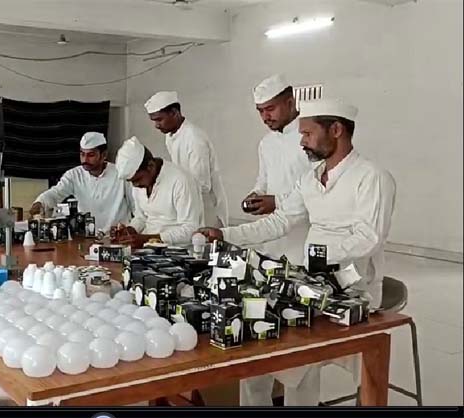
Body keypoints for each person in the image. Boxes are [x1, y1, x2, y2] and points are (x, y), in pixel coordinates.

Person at [198, 98, 396, 406]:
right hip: (311, 283)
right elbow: (279, 221)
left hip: (356, 290)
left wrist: (318, 258)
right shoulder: (310, 179)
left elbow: (369, 238)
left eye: (307, 134)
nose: (301, 141)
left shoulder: (372, 177)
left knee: (304, 358)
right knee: (258, 341)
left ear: (336, 130)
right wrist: (226, 234)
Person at [244, 74, 313, 265]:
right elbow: (263, 180)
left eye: (270, 109)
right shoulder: (266, 143)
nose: (265, 117)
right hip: (273, 237)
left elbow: (318, 191)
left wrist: (276, 202)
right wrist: (256, 195)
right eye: (260, 111)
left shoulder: (311, 139)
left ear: (290, 102)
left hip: (304, 238)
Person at [145, 91, 228, 227]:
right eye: (154, 121)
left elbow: (203, 184)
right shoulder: (170, 136)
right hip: (190, 204)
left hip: (206, 208)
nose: (156, 125)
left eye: (159, 119)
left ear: (174, 113)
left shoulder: (194, 138)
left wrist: (173, 192)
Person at [111, 136, 203, 248]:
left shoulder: (180, 181)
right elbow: (141, 217)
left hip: (177, 251)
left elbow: (191, 229)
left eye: (137, 180)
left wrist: (149, 239)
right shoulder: (139, 184)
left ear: (150, 166)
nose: (135, 185)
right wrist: (130, 230)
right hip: (147, 249)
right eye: (131, 182)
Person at [29, 132, 133, 230]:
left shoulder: (120, 173)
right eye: (82, 154)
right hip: (88, 236)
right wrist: (40, 203)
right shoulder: (74, 175)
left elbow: (135, 208)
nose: (85, 160)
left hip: (118, 236)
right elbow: (56, 193)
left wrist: (131, 229)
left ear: (104, 155)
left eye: (90, 155)